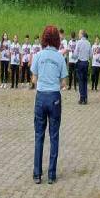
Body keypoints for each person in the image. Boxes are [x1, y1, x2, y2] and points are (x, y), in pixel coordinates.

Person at [31, 25, 68, 184]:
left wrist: (42, 83)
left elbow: (33, 79)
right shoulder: (60, 57)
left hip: (40, 97)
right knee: (54, 136)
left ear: (44, 38)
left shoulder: (38, 56)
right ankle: (52, 174)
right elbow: (64, 82)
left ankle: (37, 174)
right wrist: (55, 85)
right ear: (57, 40)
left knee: (39, 135)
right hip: (54, 97)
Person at [74, 29, 90, 104]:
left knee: (80, 81)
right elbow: (91, 55)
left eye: (79, 33)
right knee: (85, 81)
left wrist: (74, 57)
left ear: (82, 34)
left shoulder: (79, 42)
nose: (78, 35)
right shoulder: (89, 43)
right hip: (86, 63)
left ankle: (82, 98)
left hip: (80, 63)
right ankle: (85, 98)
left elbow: (75, 54)